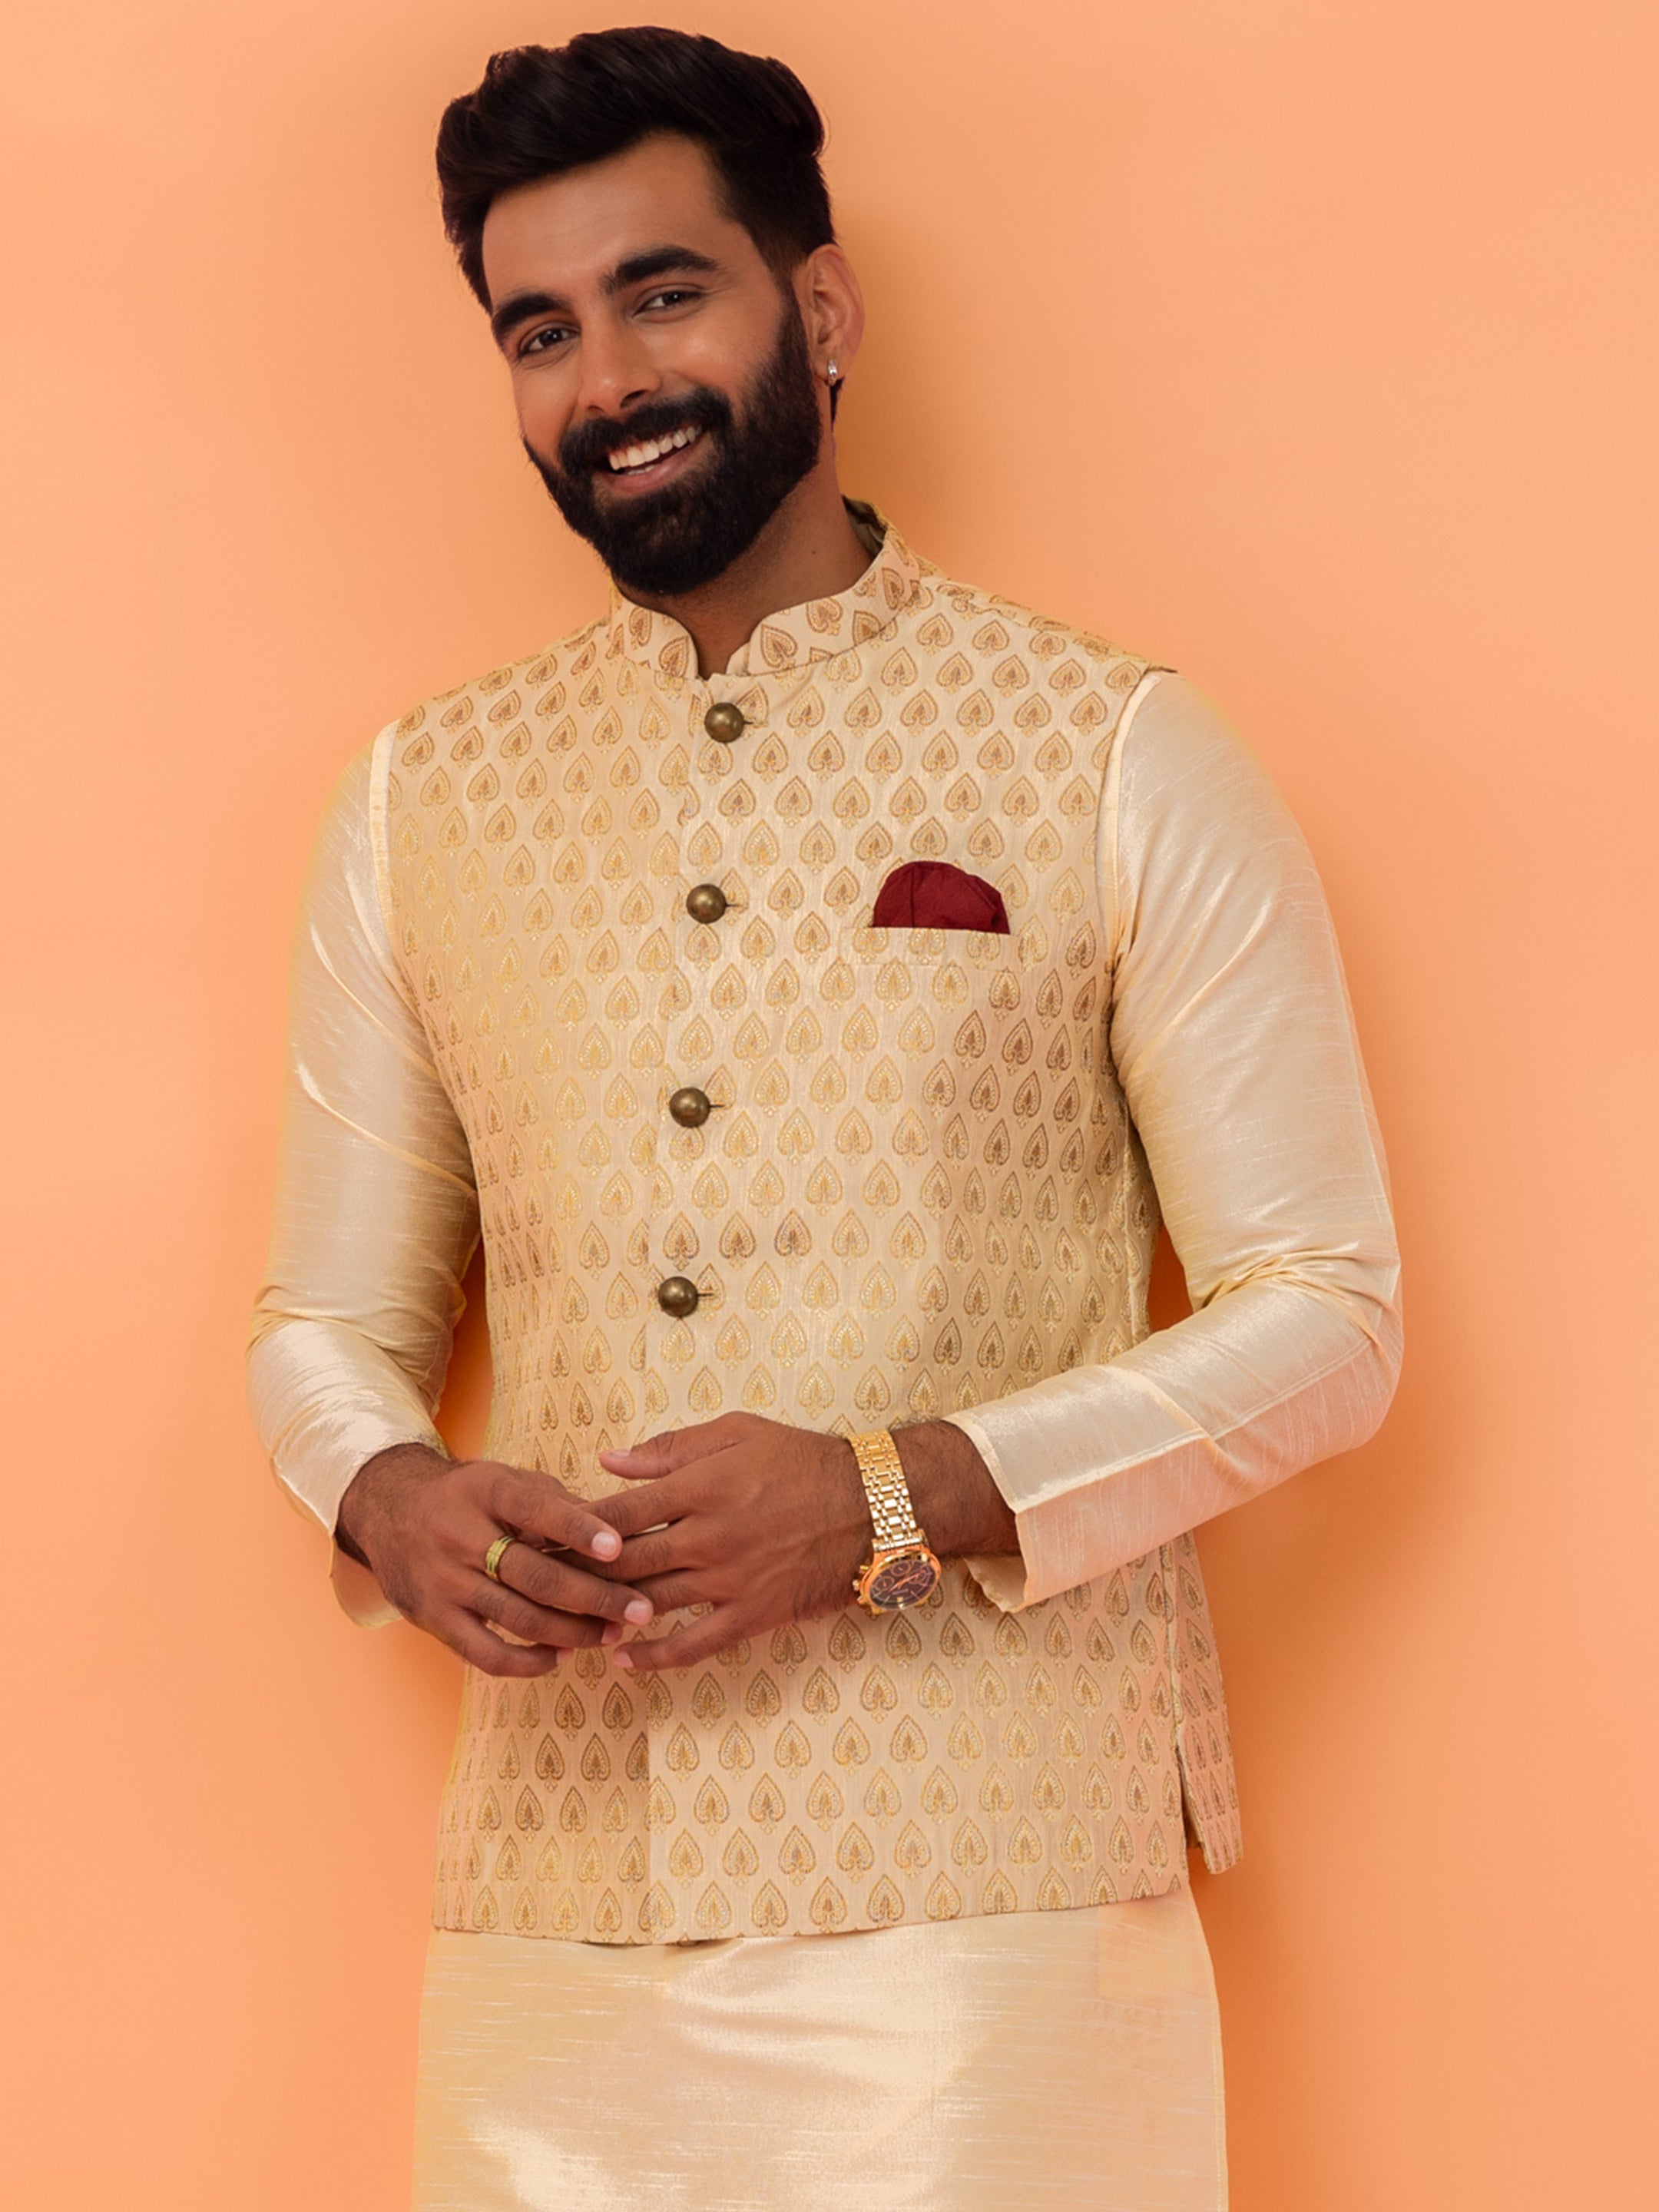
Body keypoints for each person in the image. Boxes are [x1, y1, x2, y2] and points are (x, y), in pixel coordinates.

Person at [247, 25, 1401, 2210]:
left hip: (999, 1914)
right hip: (551, 1914)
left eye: (663, 293)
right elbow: (324, 1322)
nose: (608, 380)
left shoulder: (1112, 748)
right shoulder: (419, 802)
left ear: (823, 307)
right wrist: (386, 1495)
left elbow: (1332, 1315)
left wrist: (894, 1494)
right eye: (540, 332)